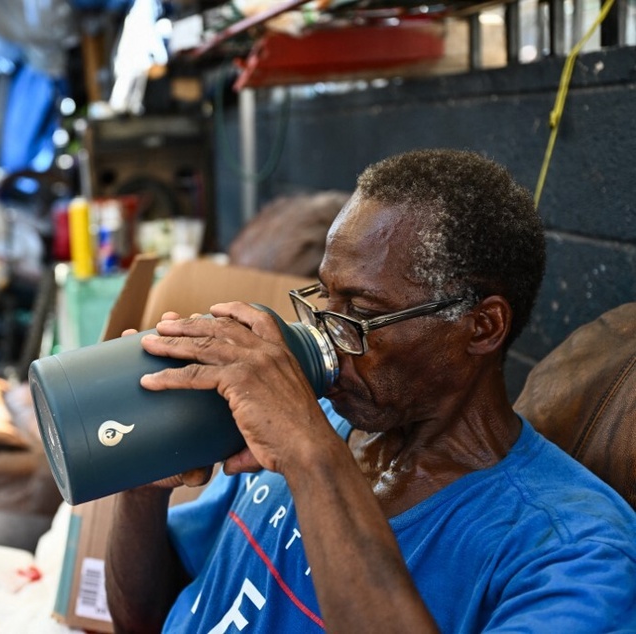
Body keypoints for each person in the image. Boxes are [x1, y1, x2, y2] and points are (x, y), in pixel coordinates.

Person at [104, 148, 636, 633]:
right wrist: (144, 478)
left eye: (362, 313)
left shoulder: (570, 549)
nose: (326, 338)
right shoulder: (314, 422)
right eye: (325, 298)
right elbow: (144, 617)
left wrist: (311, 456)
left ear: (482, 327)